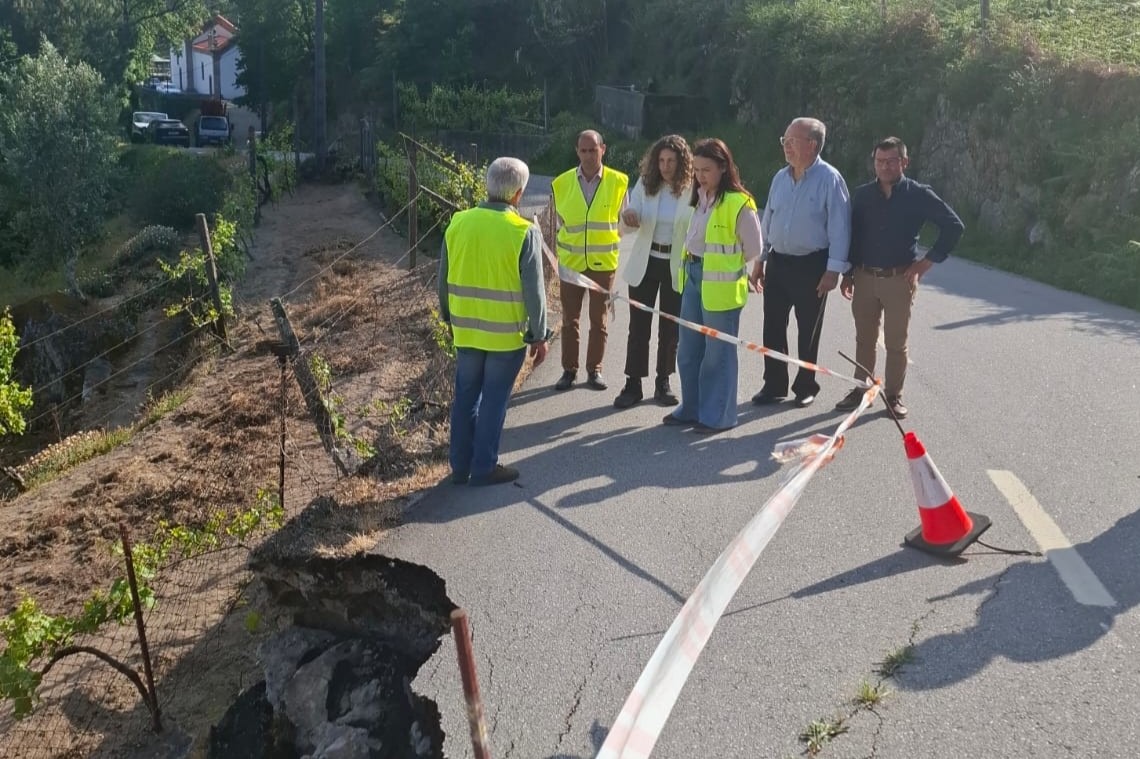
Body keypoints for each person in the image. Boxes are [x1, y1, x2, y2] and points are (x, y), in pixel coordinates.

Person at [438, 157, 551, 486]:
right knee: (494, 399)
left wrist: (448, 316)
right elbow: (535, 292)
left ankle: (459, 467)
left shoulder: (458, 222)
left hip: (466, 331)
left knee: (465, 397)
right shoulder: (522, 232)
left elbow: (442, 279)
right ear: (518, 195)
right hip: (504, 336)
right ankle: (484, 465)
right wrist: (539, 335)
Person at [833, 136, 964, 419]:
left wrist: (924, 265)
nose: (885, 167)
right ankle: (861, 389)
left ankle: (893, 396)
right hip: (864, 276)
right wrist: (847, 273)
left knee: (896, 343)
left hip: (899, 279)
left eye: (892, 161)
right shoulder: (864, 195)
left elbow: (953, 226)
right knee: (864, 339)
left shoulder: (918, 194)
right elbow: (853, 236)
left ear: (904, 162)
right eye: (880, 161)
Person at [749, 117, 851, 408]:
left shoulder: (830, 179)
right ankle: (774, 384)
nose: (786, 147)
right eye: (785, 141)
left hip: (812, 266)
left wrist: (833, 271)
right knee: (772, 326)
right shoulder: (780, 178)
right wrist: (761, 260)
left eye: (792, 141)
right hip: (779, 263)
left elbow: (840, 228)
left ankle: (806, 385)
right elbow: (768, 220)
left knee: (808, 329)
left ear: (812, 145)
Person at [663, 138, 764, 433]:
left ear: (723, 167)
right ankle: (691, 408)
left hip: (719, 286)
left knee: (718, 354)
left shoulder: (739, 203)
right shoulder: (699, 196)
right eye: (696, 170)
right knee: (689, 349)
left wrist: (721, 265)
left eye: (706, 170)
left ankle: (717, 415)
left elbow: (753, 247)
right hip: (692, 276)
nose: (700, 176)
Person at [614, 134, 695, 409]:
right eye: (660, 160)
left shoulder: (691, 189)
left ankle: (664, 382)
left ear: (682, 162)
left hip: (674, 263)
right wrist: (629, 217)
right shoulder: (646, 184)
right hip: (645, 262)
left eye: (671, 160)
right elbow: (631, 212)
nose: (665, 166)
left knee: (670, 327)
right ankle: (633, 384)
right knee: (638, 326)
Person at [551, 130, 629, 392]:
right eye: (583, 151)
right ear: (577, 151)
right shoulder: (561, 183)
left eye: (592, 150)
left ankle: (594, 370)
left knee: (599, 320)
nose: (587, 155)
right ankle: (569, 370)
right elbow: (560, 223)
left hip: (603, 264)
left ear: (603, 150)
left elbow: (624, 224)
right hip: (571, 264)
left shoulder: (619, 182)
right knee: (570, 319)